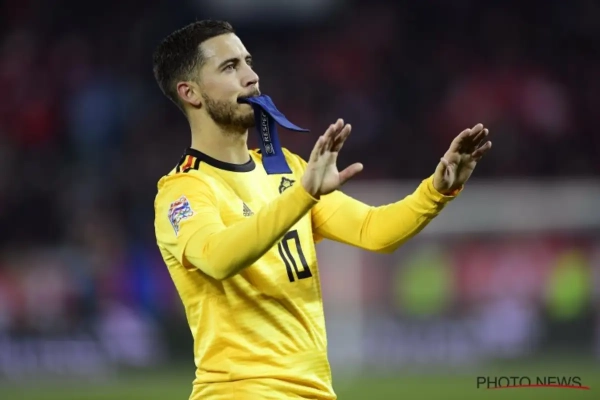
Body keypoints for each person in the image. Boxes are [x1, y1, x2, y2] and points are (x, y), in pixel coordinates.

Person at [152, 19, 492, 400]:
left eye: (248, 62)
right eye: (230, 67)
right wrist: (303, 195)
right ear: (191, 93)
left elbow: (373, 231)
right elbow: (218, 258)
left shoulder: (288, 171)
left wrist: (438, 190)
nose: (251, 76)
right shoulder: (183, 191)